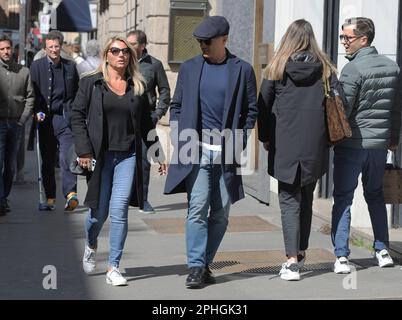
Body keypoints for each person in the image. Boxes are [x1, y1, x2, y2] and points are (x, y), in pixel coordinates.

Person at [164, 16, 258, 288]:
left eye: (207, 41)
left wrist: (239, 140)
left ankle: (205, 263)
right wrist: (178, 136)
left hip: (226, 151)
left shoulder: (242, 70)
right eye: (199, 42)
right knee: (197, 208)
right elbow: (177, 105)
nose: (202, 46)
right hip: (196, 149)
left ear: (224, 40)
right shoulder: (191, 68)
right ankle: (195, 266)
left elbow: (251, 111)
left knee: (221, 213)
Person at [71, 36, 163, 286]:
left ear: (131, 57)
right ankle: (91, 244)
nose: (121, 54)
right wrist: (84, 150)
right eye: (115, 51)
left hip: (128, 156)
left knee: (119, 209)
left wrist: (158, 153)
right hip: (99, 157)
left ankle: (114, 267)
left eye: (125, 51)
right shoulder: (91, 83)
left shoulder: (137, 86)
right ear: (106, 55)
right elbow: (77, 117)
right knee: (97, 214)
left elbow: (146, 124)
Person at [258, 19, 344, 281]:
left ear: (288, 39)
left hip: (284, 142)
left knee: (288, 200)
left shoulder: (276, 68)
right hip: (314, 145)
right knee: (306, 197)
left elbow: (263, 106)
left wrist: (265, 137)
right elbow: (340, 102)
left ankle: (292, 261)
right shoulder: (326, 70)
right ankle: (301, 250)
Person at [331, 17, 401, 273]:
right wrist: (393, 138)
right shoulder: (391, 67)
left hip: (352, 145)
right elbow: (396, 109)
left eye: (347, 38)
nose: (344, 43)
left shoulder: (352, 70)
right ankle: (382, 250)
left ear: (364, 39)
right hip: (379, 145)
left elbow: (343, 110)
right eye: (342, 37)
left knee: (343, 198)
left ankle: (341, 257)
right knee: (375, 195)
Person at [30, 30, 80, 211]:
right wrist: (36, 111)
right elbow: (32, 93)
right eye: (50, 47)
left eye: (56, 46)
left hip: (64, 120)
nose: (54, 50)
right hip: (45, 120)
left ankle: (70, 194)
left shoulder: (71, 66)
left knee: (66, 157)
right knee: (48, 160)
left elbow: (76, 93)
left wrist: (74, 113)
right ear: (46, 48)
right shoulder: (36, 66)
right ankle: (50, 197)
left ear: (61, 47)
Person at [127, 30, 171, 213]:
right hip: (124, 120)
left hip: (146, 120)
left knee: (144, 161)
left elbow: (165, 92)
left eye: (133, 44)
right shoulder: (122, 62)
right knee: (124, 160)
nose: (128, 47)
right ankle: (125, 197)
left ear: (142, 45)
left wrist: (157, 114)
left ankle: (142, 199)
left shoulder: (155, 65)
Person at [0, 34, 35, 215]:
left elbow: (30, 98)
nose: (6, 52)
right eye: (2, 49)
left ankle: (3, 197)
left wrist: (23, 120)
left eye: (8, 48)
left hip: (16, 124)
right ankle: (0, 201)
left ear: (13, 50)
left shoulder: (24, 72)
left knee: (10, 165)